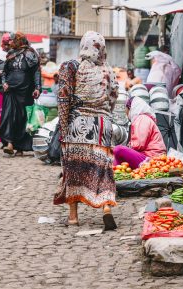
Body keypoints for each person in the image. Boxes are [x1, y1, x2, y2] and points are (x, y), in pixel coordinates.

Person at [53, 31, 119, 230]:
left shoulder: (71, 67)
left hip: (77, 127)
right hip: (101, 127)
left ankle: (73, 216)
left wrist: (63, 128)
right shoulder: (109, 71)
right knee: (103, 170)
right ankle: (106, 208)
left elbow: (63, 99)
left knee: (73, 170)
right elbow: (113, 100)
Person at [0, 32, 41, 156]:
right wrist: (4, 82)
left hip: (25, 92)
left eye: (11, 40)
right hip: (10, 91)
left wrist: (37, 87)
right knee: (9, 117)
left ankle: (20, 147)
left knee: (22, 119)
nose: (9, 42)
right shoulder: (10, 54)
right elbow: (5, 72)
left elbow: (36, 72)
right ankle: (10, 144)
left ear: (18, 40)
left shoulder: (30, 53)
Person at [113, 96, 166, 169]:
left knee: (118, 149)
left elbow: (139, 145)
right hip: (148, 156)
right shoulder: (141, 119)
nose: (126, 113)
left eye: (126, 110)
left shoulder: (142, 119)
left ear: (131, 108)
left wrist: (128, 147)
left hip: (153, 159)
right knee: (118, 155)